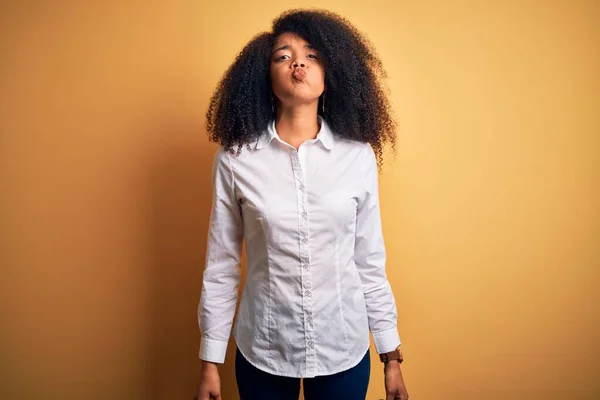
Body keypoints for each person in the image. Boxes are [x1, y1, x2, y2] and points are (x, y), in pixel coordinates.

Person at [195, 8, 409, 400]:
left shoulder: (357, 157)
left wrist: (391, 356)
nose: (299, 62)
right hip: (264, 350)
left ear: (331, 75)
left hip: (342, 350)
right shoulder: (235, 160)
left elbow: (369, 261)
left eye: (312, 55)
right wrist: (211, 363)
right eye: (283, 55)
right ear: (265, 78)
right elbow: (222, 262)